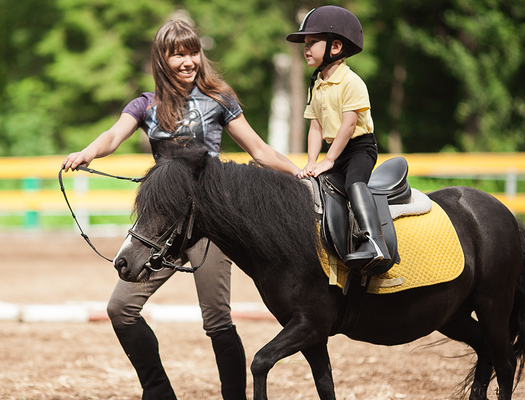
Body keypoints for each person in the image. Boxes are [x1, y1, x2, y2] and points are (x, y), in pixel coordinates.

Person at [61, 19, 299, 400]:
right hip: (162, 224)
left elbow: (260, 150)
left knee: (218, 319)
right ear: (162, 58)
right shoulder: (146, 104)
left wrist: (300, 171)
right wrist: (87, 152)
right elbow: (112, 135)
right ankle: (158, 392)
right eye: (178, 54)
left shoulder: (219, 99)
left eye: (192, 52)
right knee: (121, 308)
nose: (188, 60)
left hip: (210, 223)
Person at [288, 6, 391, 271]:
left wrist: (329, 159)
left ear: (335, 47)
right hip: (336, 151)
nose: (306, 48)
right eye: (305, 44)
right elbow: (315, 128)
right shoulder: (318, 83)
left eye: (312, 43)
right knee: (319, 190)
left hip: (358, 148)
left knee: (355, 184)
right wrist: (311, 162)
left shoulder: (351, 82)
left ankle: (374, 242)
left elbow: (349, 125)